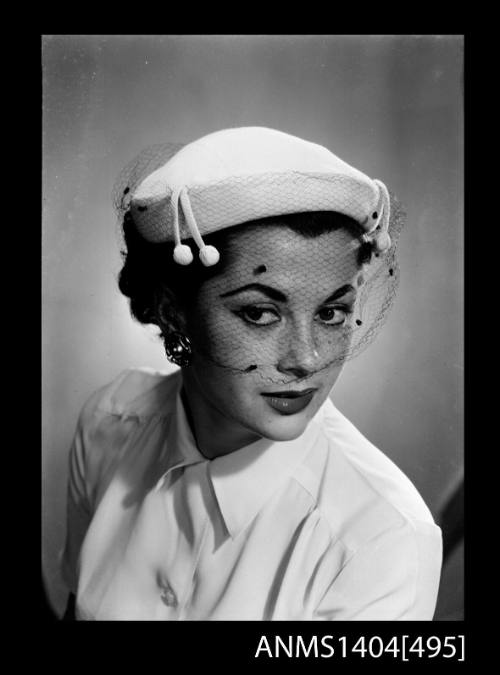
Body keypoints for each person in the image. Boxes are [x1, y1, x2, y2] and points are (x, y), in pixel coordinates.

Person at [60, 126, 442, 620]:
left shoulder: (380, 538)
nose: (305, 359)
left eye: (332, 314)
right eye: (260, 313)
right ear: (174, 309)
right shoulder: (110, 422)